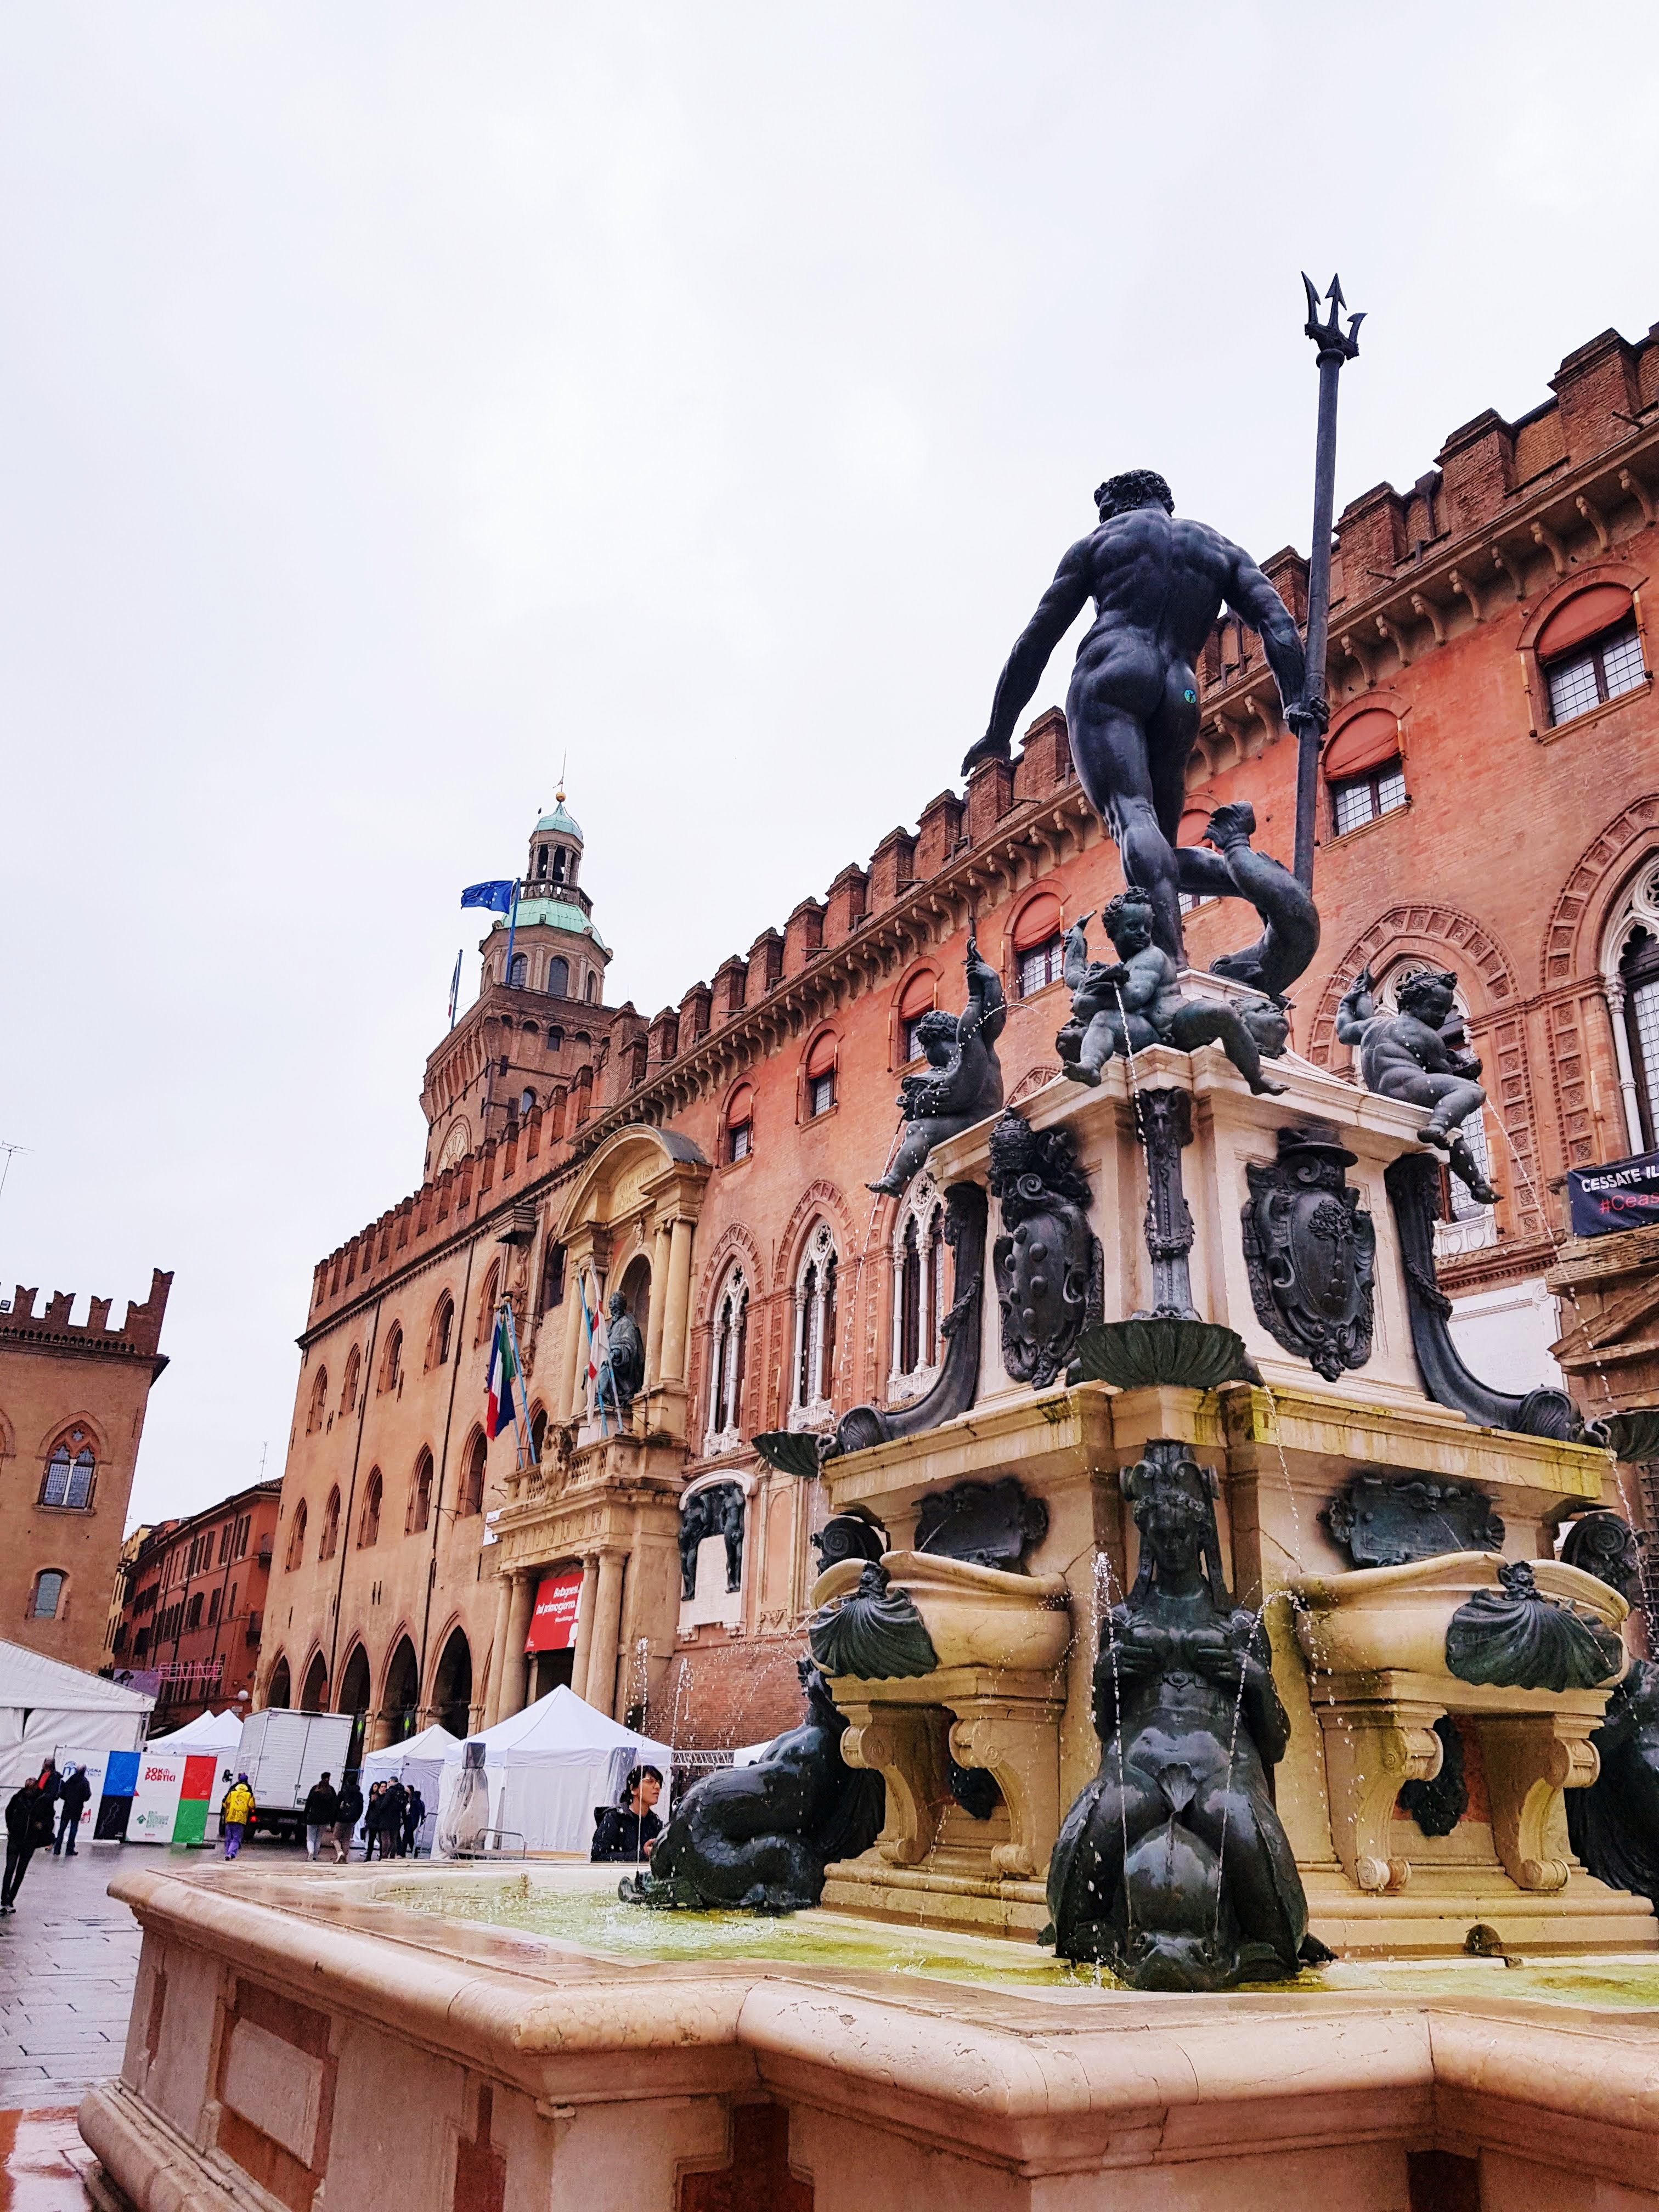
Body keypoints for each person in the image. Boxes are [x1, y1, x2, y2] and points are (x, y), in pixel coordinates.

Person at [966, 469, 1318, 969]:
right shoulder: (1218, 548)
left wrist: (998, 733)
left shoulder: (1099, 543)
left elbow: (1036, 641)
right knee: (1162, 850)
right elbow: (1277, 621)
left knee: (1133, 815)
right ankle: (1264, 883)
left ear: (1113, 507)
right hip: (1182, 692)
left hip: (1112, 674)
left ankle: (1168, 963)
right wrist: (1296, 698)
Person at [590, 1766, 663, 1864]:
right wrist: (642, 1855)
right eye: (650, 1781)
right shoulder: (615, 1818)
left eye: (659, 1783)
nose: (657, 1786)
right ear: (633, 1789)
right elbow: (598, 1856)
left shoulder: (655, 1823)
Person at [2, 1779, 44, 1914]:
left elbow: (48, 1817)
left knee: (20, 1872)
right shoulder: (18, 1798)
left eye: (31, 1789)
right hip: (15, 1839)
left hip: (30, 1841)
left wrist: (41, 1828)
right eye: (27, 1788)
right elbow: (8, 1812)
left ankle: (11, 1899)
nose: (28, 1791)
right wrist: (11, 1828)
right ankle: (4, 1900)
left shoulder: (42, 1800)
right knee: (10, 1869)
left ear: (36, 1787)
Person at [53, 1763, 93, 1857]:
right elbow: (87, 1796)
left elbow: (62, 1793)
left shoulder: (70, 1780)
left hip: (67, 1807)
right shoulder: (85, 1782)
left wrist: (68, 1799)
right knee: (73, 1829)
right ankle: (70, 1849)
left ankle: (57, 1849)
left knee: (62, 1829)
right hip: (77, 1808)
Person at [303, 1772, 341, 1863]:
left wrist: (305, 1816)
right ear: (329, 1779)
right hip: (324, 1819)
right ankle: (315, 1857)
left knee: (310, 1838)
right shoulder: (331, 1791)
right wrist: (332, 1822)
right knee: (318, 1839)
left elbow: (308, 1804)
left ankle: (311, 1852)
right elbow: (334, 1808)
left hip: (313, 1817)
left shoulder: (315, 1789)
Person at [221, 1774, 255, 1859]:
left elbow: (225, 1803)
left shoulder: (232, 1792)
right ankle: (231, 1854)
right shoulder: (249, 1794)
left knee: (228, 1839)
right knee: (236, 1839)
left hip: (230, 1818)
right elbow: (252, 1806)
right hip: (241, 1820)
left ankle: (227, 1854)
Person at [335, 1771, 364, 1861]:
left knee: (336, 1838)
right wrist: (355, 1819)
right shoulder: (359, 1795)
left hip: (341, 1819)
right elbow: (360, 1809)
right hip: (351, 1820)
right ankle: (344, 1859)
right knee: (346, 1840)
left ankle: (340, 1852)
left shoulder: (343, 1793)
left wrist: (336, 1817)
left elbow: (336, 1806)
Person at [381, 1777, 408, 1858]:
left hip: (387, 1817)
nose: (388, 1784)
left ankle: (384, 1855)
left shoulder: (391, 1791)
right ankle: (393, 1855)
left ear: (392, 1781)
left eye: (389, 1782)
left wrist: (381, 1811)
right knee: (394, 1838)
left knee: (386, 1838)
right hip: (397, 1817)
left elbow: (385, 1804)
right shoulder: (403, 1793)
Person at [400, 1785, 425, 1859]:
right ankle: (415, 1853)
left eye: (407, 1790)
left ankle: (402, 1853)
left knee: (406, 1836)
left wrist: (420, 1821)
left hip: (413, 1820)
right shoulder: (406, 1800)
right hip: (407, 1820)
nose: (405, 1792)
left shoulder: (415, 1801)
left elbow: (419, 1812)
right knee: (410, 1837)